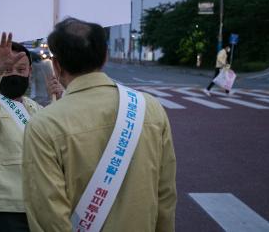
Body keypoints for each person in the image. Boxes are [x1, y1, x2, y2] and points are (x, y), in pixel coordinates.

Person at [22, 18, 176, 232]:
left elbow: (48, 214)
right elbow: (166, 196)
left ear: (56, 65)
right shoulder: (150, 108)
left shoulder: (44, 125)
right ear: (104, 57)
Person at [0, 33, 62, 232]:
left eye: (21, 69)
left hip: (36, 207)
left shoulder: (34, 108)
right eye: (7, 70)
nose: (15, 74)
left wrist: (61, 101)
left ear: (30, 72)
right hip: (0, 209)